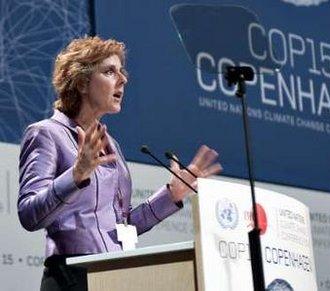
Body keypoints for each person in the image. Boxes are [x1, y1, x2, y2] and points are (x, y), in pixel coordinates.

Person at [18, 36, 222, 291]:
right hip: (71, 277)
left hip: (115, 272)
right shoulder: (46, 133)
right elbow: (29, 214)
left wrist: (172, 195)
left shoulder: (112, 145)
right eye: (109, 71)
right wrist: (77, 174)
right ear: (82, 82)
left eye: (121, 71)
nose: (123, 79)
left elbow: (124, 227)